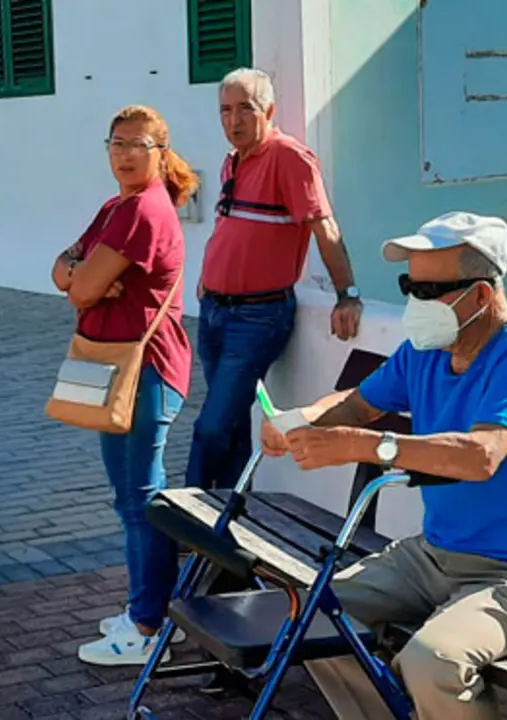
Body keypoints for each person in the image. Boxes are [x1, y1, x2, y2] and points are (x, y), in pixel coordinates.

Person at [260, 211, 507, 719]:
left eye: (427, 291)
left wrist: (369, 447)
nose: (413, 303)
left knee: (432, 661)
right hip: (438, 554)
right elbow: (358, 405)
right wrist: (298, 420)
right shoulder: (428, 350)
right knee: (313, 617)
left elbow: (481, 455)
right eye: (408, 287)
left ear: (480, 296)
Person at [50, 105, 196, 666]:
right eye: (116, 143)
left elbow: (82, 287)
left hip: (143, 369)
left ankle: (146, 626)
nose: (125, 154)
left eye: (139, 145)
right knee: (133, 497)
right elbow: (64, 270)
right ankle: (153, 612)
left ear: (161, 152)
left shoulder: (141, 210)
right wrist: (79, 274)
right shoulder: (117, 207)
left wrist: (82, 278)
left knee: (141, 500)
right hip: (115, 368)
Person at [187, 67, 364, 492]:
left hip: (257, 316)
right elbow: (232, 229)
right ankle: (231, 518)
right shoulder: (233, 161)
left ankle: (183, 512)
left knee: (211, 426)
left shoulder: (289, 158)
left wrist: (348, 294)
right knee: (231, 426)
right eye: (225, 110)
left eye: (245, 109)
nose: (233, 120)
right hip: (214, 311)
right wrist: (210, 277)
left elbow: (325, 228)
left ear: (269, 111)